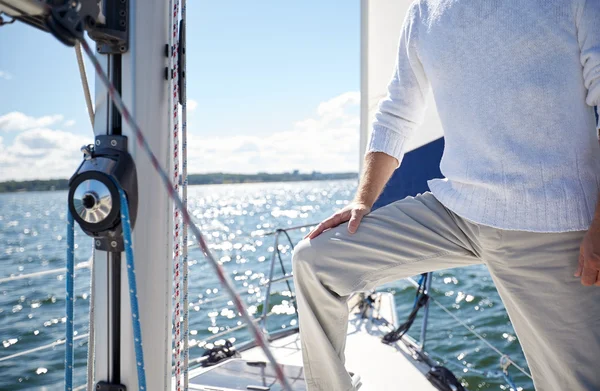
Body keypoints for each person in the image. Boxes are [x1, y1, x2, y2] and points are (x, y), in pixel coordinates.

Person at [292, 1, 600, 390]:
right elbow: (395, 114)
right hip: (454, 211)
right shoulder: (425, 11)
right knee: (315, 260)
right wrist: (363, 200)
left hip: (549, 221)